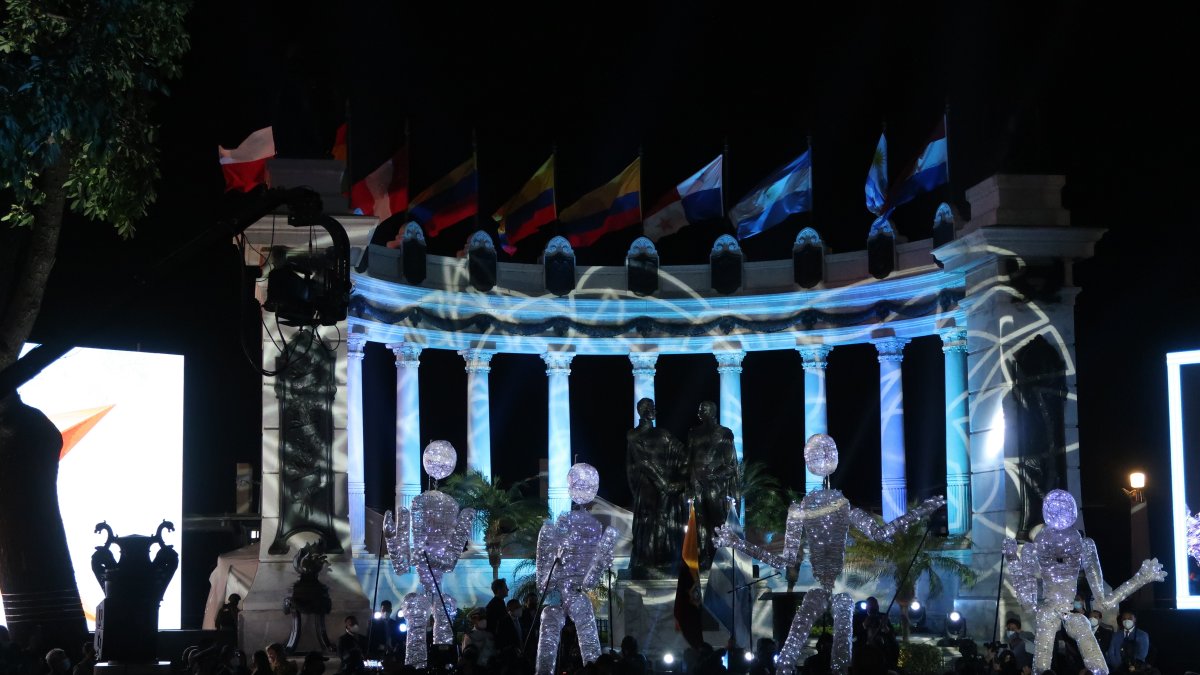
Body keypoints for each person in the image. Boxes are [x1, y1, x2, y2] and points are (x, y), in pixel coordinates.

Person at [687, 400, 739, 570]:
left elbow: (731, 465)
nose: (700, 412)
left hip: (717, 485)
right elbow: (689, 459)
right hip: (697, 484)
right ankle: (703, 556)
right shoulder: (693, 433)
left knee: (718, 520)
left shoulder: (724, 433)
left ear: (712, 412)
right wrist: (690, 481)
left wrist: (715, 475)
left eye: (703, 409)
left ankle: (721, 556)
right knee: (699, 521)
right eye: (699, 409)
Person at [486, 579, 520, 655]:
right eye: (505, 587)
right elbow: (498, 627)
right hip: (504, 648)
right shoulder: (494, 606)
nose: (508, 589)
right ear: (499, 589)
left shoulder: (499, 603)